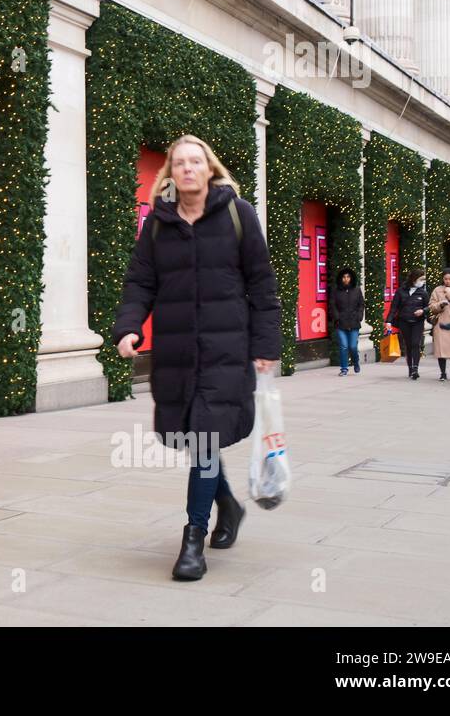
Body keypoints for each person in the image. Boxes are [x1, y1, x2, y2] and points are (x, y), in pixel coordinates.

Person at [113, 135, 281, 582]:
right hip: (177, 353)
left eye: (196, 161)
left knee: (204, 437)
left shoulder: (237, 215)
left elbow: (262, 286)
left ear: (209, 168)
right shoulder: (157, 225)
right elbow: (140, 282)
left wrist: (266, 346)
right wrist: (129, 326)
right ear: (169, 173)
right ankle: (227, 504)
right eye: (179, 163)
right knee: (197, 440)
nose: (188, 169)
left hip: (226, 352)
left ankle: (193, 539)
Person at [387, 269, 430, 379]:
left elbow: (428, 307)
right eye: (421, 279)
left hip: (418, 322)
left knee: (416, 344)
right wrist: (388, 321)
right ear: (414, 279)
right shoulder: (401, 291)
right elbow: (394, 307)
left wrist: (423, 311)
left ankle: (415, 368)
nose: (422, 282)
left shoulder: (423, 293)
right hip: (404, 321)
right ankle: (410, 369)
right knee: (409, 345)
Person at [328, 266, 364, 376]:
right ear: (341, 278)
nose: (346, 279)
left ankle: (356, 362)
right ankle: (344, 369)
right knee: (343, 346)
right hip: (340, 323)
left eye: (348, 276)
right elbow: (332, 305)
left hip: (354, 322)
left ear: (351, 278)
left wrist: (359, 316)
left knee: (353, 346)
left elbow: (361, 305)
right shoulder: (336, 291)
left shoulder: (357, 290)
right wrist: (337, 317)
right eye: (344, 277)